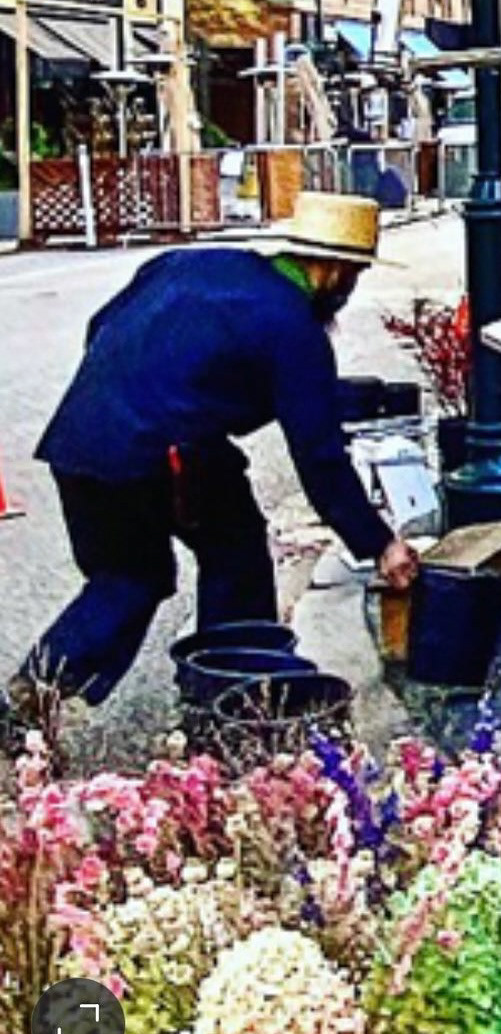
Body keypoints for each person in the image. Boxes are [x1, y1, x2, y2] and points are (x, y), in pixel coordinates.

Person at [9, 193, 418, 725]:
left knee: (127, 572)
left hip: (81, 435)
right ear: (337, 272)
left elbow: (103, 328)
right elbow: (319, 459)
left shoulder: (188, 262)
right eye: (355, 275)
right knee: (201, 563)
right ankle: (229, 698)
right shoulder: (295, 328)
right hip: (162, 453)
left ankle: (42, 689)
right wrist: (379, 544)